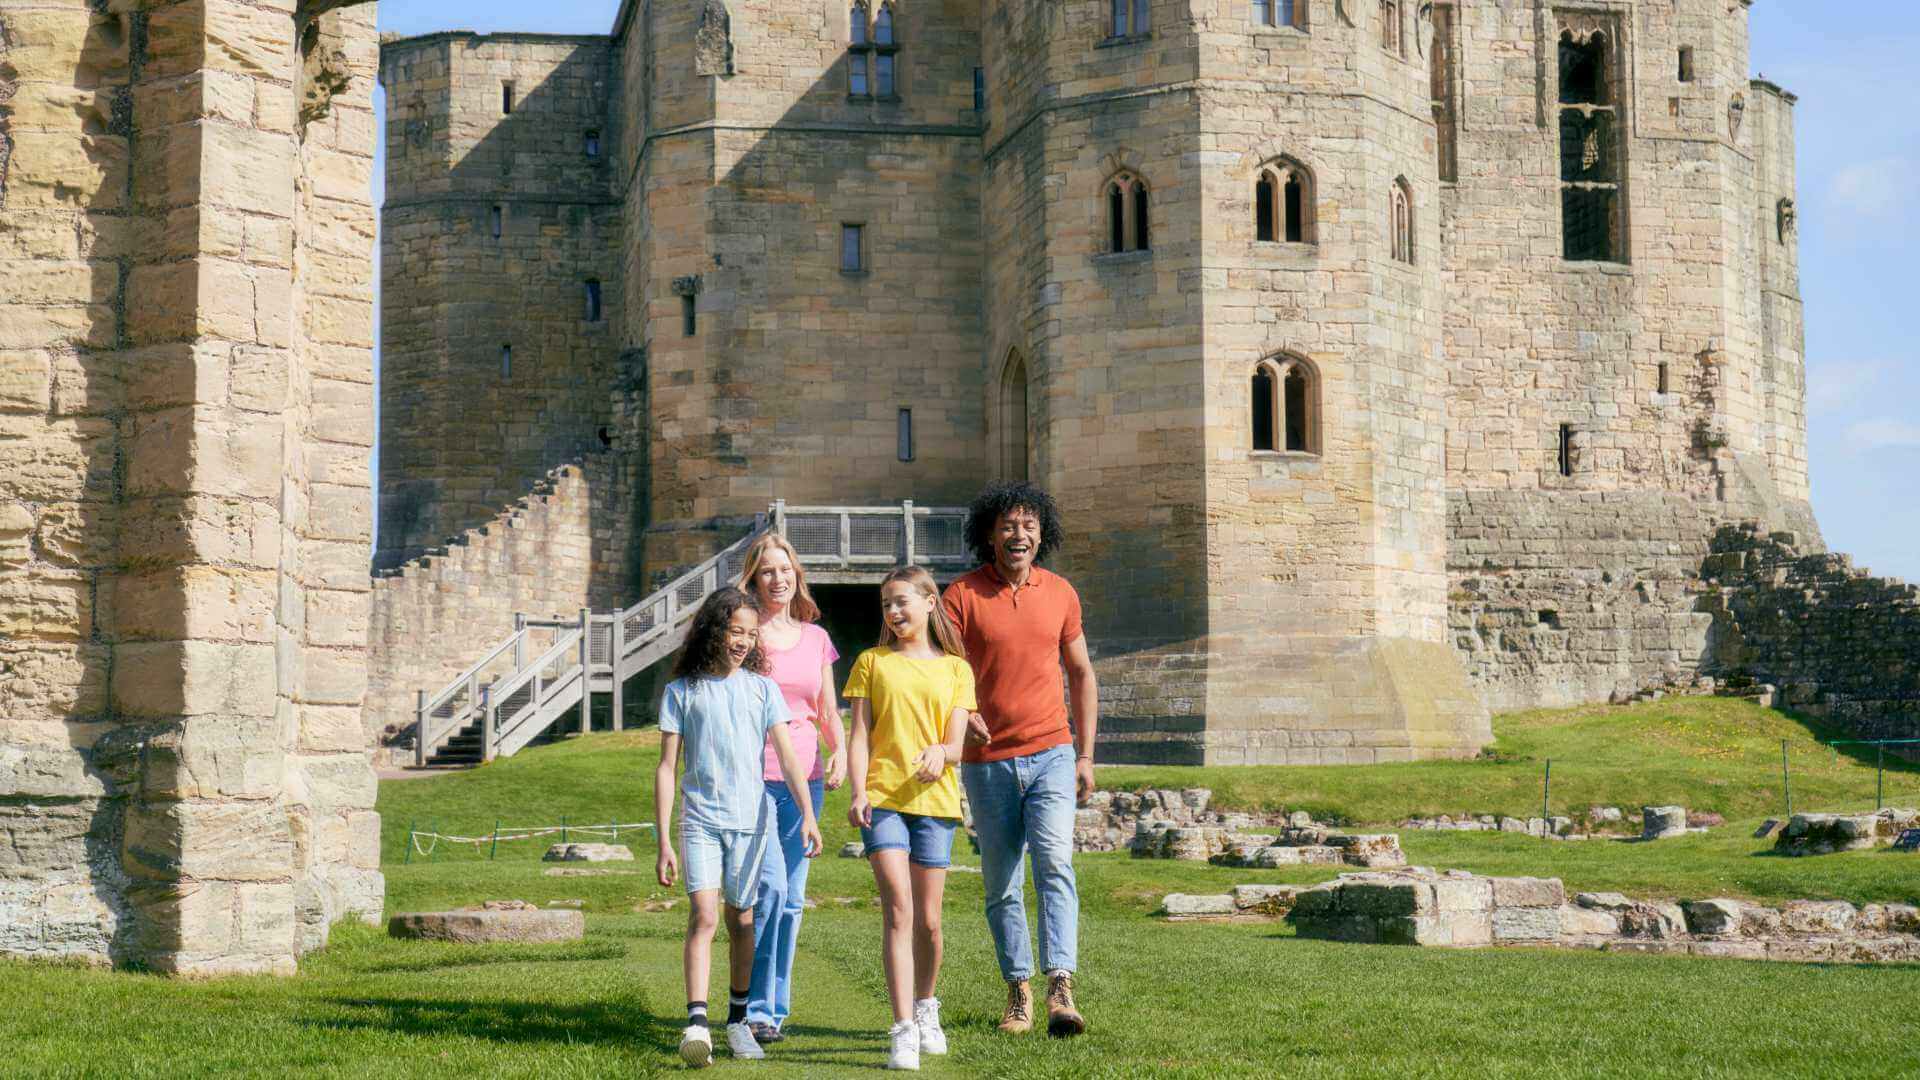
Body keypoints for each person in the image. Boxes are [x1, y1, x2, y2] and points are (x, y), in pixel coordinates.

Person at [942, 481, 1099, 1039]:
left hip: (1052, 752)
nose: (1019, 533)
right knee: (1001, 883)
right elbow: (946, 672)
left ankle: (1061, 986)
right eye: (1008, 524)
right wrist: (963, 715)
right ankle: (1018, 991)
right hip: (985, 762)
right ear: (989, 534)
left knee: (1054, 864)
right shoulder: (960, 596)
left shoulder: (1060, 592)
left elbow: (1081, 673)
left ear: (1042, 534)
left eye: (1029, 524)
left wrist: (1085, 753)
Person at [654, 586, 824, 1068]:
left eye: (751, 634)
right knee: (705, 917)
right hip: (701, 822)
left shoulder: (762, 689)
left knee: (742, 920)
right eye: (735, 631)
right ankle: (697, 1023)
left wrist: (808, 815)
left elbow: (788, 759)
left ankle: (738, 1021)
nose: (744, 642)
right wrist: (664, 839)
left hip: (751, 823)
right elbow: (668, 767)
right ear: (714, 630)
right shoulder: (682, 691)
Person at [843, 566, 977, 1071]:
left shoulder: (956, 670)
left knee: (930, 920)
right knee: (897, 909)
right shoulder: (871, 662)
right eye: (886, 605)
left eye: (901, 602)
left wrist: (941, 752)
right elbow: (858, 734)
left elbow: (958, 745)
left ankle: (926, 1008)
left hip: (936, 804)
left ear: (928, 602)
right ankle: (901, 1028)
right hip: (883, 801)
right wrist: (858, 791)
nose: (893, 613)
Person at [735, 534, 847, 1043]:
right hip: (754, 778)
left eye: (785, 569)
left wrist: (840, 749)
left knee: (793, 899)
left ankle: (774, 1010)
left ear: (797, 575)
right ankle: (755, 1006)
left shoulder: (816, 638)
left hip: (807, 783)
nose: (778, 579)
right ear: (753, 580)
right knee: (771, 891)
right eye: (767, 571)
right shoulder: (744, 634)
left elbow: (826, 709)